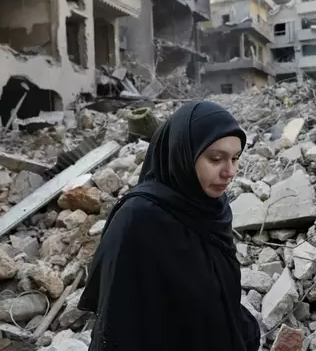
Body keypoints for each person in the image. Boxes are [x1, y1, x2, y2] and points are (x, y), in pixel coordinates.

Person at [78, 100, 261, 351]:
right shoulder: (137, 221)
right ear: (183, 153)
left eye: (235, 158)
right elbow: (117, 326)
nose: (229, 171)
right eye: (216, 158)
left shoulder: (213, 210)